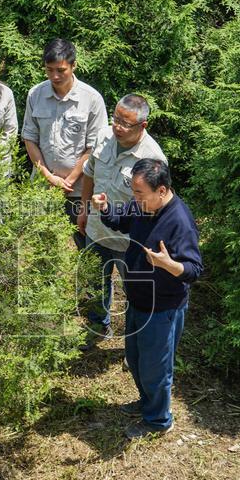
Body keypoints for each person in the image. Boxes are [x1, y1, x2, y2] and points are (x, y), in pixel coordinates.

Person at [90, 158, 202, 440]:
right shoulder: (143, 205)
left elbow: (194, 270)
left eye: (139, 193)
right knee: (136, 358)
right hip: (137, 299)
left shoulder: (180, 222)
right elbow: (121, 221)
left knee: (156, 368)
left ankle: (158, 420)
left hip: (162, 307)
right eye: (134, 193)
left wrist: (168, 264)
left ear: (161, 191)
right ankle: (147, 402)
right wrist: (105, 208)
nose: (135, 199)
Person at [77, 94, 168, 350]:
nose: (117, 126)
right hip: (97, 229)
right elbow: (89, 173)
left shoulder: (152, 159)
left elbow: (156, 206)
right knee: (95, 282)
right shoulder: (103, 136)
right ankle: (98, 325)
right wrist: (84, 209)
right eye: (115, 119)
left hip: (130, 240)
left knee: (135, 293)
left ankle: (133, 344)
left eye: (125, 123)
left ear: (143, 125)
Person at [22, 38, 107, 248]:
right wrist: (49, 177)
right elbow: (30, 138)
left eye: (61, 70)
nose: (55, 76)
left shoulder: (92, 99)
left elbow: (94, 147)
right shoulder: (36, 94)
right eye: (49, 70)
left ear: (73, 65)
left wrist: (69, 181)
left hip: (79, 190)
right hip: (43, 187)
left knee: (87, 246)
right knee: (42, 248)